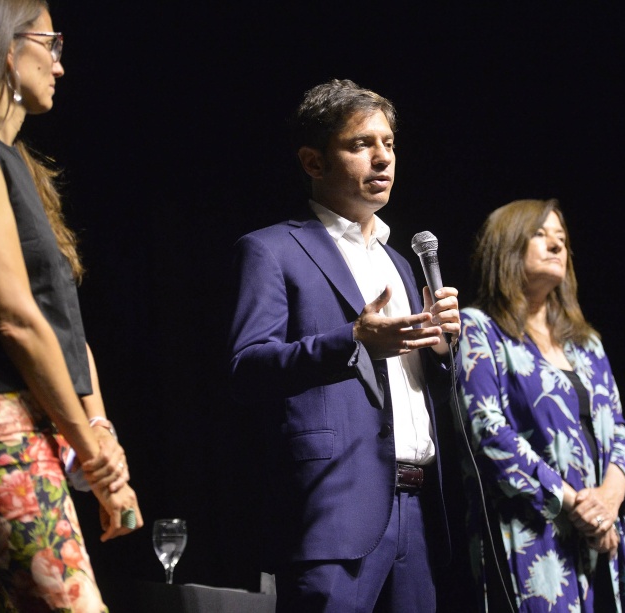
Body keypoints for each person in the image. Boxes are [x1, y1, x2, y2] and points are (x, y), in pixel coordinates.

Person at [228, 78, 460, 612]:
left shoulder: (399, 262)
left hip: (418, 508)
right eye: (361, 144)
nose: (383, 158)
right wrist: (352, 339)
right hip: (334, 509)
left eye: (389, 143)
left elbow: (418, 386)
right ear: (314, 162)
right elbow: (247, 368)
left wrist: (440, 348)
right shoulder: (271, 250)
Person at [0, 0, 143, 610]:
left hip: (37, 426)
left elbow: (60, 322)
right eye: (52, 44)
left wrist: (100, 434)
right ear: (7, 46)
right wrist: (94, 456)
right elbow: (17, 321)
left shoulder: (18, 165)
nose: (60, 65)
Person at [455, 199, 625, 612]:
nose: (557, 245)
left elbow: (619, 429)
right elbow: (487, 432)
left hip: (605, 539)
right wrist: (579, 506)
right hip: (532, 538)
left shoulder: (586, 344)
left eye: (561, 237)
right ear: (506, 247)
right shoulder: (478, 329)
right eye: (540, 235)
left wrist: (610, 500)